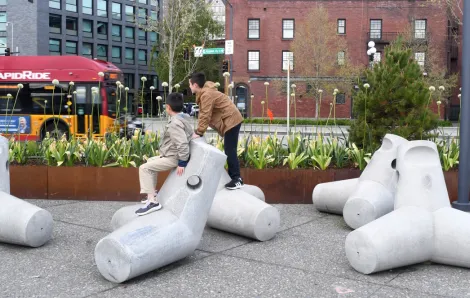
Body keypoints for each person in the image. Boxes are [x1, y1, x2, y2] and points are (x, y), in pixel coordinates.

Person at [135, 92, 193, 216]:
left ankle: (152, 202)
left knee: (144, 168)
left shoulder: (175, 124)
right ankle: (152, 194)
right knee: (149, 162)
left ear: (168, 107)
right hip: (171, 155)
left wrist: (182, 162)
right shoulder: (182, 118)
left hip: (173, 158)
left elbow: (182, 143)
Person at [189, 72, 244, 190]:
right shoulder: (205, 93)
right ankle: (233, 177)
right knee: (229, 149)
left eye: (190, 84)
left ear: (195, 85)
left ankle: (237, 179)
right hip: (231, 120)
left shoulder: (206, 95)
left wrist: (199, 132)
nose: (189, 87)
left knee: (230, 150)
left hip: (231, 121)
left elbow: (205, 114)